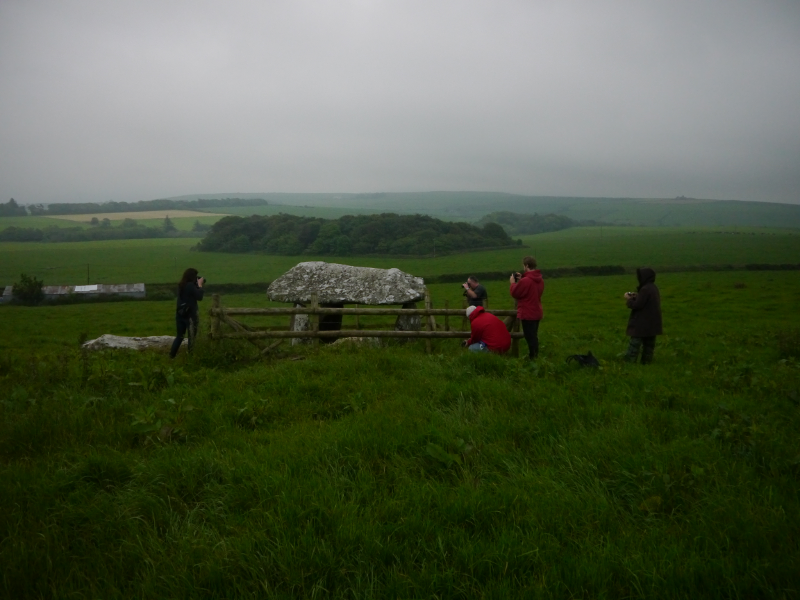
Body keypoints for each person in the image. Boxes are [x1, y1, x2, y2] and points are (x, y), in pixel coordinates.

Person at [623, 267, 662, 364]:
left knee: (634, 345)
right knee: (649, 346)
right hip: (653, 322)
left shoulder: (645, 289)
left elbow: (637, 305)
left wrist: (629, 299)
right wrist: (637, 296)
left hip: (642, 323)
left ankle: (629, 363)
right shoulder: (653, 287)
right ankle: (646, 363)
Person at [509, 256, 544, 359]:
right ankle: (534, 356)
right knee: (534, 336)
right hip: (537, 311)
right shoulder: (539, 279)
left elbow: (515, 293)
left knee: (530, 337)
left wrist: (513, 283)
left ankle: (533, 357)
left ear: (527, 265)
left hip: (527, 312)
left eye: (524, 265)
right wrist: (523, 278)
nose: (523, 267)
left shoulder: (526, 281)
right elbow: (530, 288)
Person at [170, 268, 205, 358]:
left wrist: (196, 285)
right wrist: (200, 285)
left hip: (180, 314)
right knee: (192, 337)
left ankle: (171, 356)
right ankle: (190, 357)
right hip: (190, 315)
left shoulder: (181, 285)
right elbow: (199, 297)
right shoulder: (190, 285)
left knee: (179, 337)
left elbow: (189, 294)